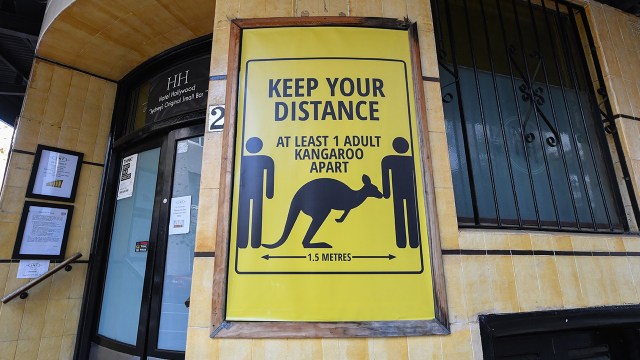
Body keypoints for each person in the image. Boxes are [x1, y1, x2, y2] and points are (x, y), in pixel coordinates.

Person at [381, 137, 420, 248]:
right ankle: (409, 242)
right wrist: (387, 192)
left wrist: (386, 192)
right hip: (406, 190)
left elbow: (385, 176)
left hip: (404, 190)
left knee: (404, 214)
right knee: (405, 214)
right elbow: (385, 176)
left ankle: (408, 242)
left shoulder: (390, 159)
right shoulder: (409, 160)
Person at [236, 137, 274, 248]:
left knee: (253, 215)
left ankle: (250, 243)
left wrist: (269, 192)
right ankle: (250, 243)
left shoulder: (244, 159)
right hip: (249, 191)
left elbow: (270, 176)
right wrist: (269, 193)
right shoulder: (265, 159)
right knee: (250, 215)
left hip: (249, 191)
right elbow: (238, 176)